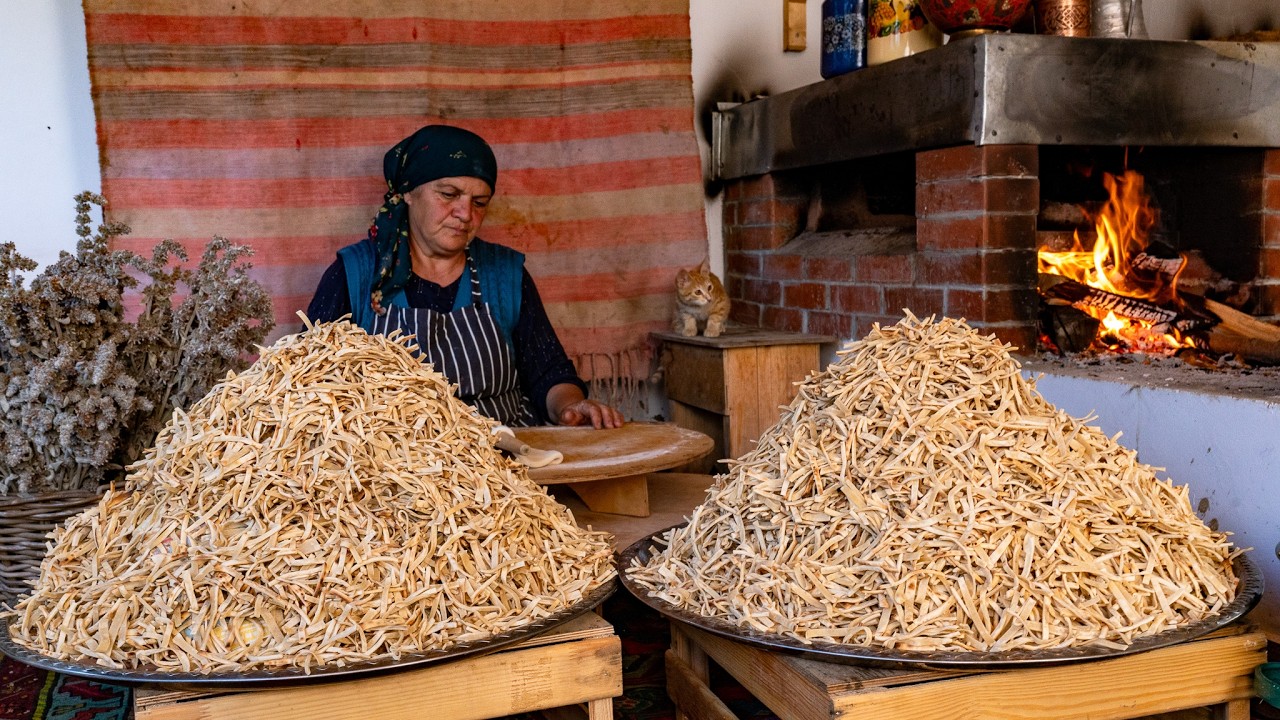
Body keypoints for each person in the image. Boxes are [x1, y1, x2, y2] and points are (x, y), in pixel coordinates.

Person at [307, 124, 624, 429]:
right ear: (408, 193)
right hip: (394, 467)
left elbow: (548, 372)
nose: (466, 214)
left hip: (503, 457)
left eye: (480, 202)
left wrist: (569, 406)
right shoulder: (355, 275)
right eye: (448, 194)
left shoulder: (504, 274)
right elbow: (307, 382)